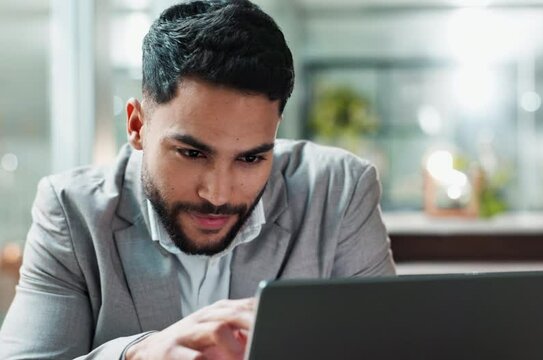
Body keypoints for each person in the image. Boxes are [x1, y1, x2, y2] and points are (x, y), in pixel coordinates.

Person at [0, 1, 396, 358]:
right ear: (137, 125)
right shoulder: (72, 211)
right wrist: (138, 355)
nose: (218, 194)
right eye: (192, 153)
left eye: (252, 158)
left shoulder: (340, 190)